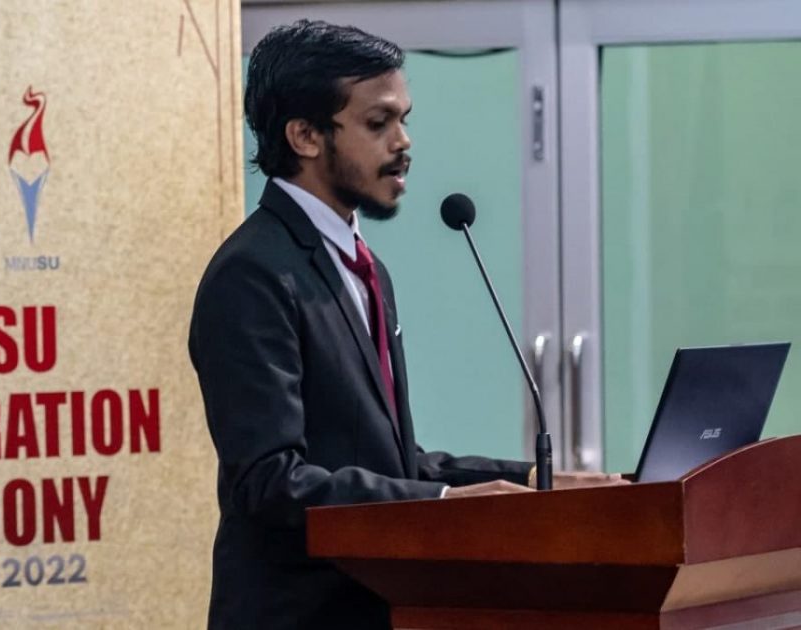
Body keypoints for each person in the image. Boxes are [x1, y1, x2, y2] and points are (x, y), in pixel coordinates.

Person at [188, 20, 622, 630]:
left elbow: (393, 462)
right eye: (378, 123)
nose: (404, 141)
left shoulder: (363, 267)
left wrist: (531, 482)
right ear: (305, 135)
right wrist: (445, 503)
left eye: (404, 119)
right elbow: (270, 481)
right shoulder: (254, 274)